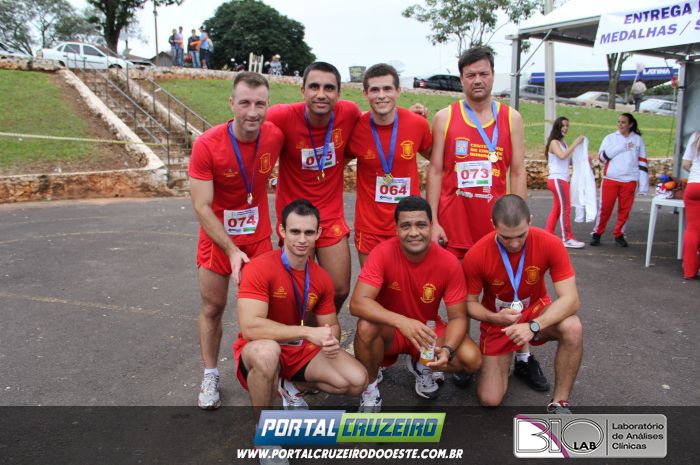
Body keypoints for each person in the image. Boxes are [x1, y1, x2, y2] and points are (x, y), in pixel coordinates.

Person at [426, 46, 546, 391]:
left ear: (493, 75)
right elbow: (435, 171)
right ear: (461, 79)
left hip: (497, 230)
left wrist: (519, 222)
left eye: (483, 73)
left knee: (511, 291)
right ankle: (461, 355)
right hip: (454, 227)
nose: (477, 80)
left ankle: (523, 356)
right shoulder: (445, 117)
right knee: (457, 298)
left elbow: (518, 170)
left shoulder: (511, 118)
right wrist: (433, 222)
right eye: (470, 75)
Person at [188, 72, 284, 410]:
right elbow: (201, 206)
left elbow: (320, 118)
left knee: (265, 311)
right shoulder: (207, 144)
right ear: (231, 104)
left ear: (268, 105)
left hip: (258, 239)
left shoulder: (275, 135)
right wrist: (230, 249)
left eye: (259, 104)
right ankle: (210, 374)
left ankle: (271, 373)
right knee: (213, 307)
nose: (252, 112)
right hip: (218, 239)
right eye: (244, 103)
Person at [233, 199, 368, 411]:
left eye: (309, 232)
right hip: (261, 345)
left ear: (318, 233)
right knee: (267, 353)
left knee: (357, 380)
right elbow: (251, 328)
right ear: (282, 231)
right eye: (295, 232)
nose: (302, 239)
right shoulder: (259, 268)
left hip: (298, 349)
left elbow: (331, 325)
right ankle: (263, 427)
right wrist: (307, 332)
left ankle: (289, 385)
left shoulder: (321, 277)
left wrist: (330, 339)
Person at [350, 196, 481, 411]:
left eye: (421, 225)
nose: (413, 232)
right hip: (390, 331)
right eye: (406, 226)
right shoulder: (382, 252)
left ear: (431, 226)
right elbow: (357, 303)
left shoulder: (448, 262)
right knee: (366, 326)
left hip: (425, 333)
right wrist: (401, 321)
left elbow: (458, 317)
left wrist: (447, 349)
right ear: (396, 229)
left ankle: (422, 364)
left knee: (471, 360)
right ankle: (370, 390)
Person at [463, 195, 583, 413]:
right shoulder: (477, 254)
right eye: (506, 237)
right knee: (490, 399)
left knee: (572, 327)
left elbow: (571, 299)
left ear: (530, 221)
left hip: (536, 311)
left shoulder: (550, 243)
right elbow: (469, 303)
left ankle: (560, 402)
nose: (514, 244)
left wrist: (533, 326)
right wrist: (494, 318)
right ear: (493, 226)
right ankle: (513, 357)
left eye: (521, 235)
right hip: (500, 321)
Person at [266, 62, 362, 313]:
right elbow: (249, 123)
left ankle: (321, 324)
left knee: (339, 288)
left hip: (330, 214)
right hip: (296, 216)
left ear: (338, 93)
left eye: (329, 88)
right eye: (314, 87)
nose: (321, 94)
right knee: (299, 291)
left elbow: (376, 125)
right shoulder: (281, 116)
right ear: (303, 91)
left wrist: (410, 115)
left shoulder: (349, 113)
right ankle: (301, 332)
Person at [348, 63, 432, 266]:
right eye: (374, 90)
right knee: (372, 283)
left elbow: (438, 162)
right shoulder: (356, 127)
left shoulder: (417, 124)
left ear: (398, 91)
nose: (381, 95)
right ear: (365, 93)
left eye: (387, 89)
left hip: (410, 225)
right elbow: (334, 165)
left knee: (409, 282)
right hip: (370, 228)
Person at [591, 113, 648, 247]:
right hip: (611, 178)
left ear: (630, 124)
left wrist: (644, 185)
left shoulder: (638, 140)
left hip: (630, 180)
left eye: (623, 122)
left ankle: (619, 234)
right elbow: (601, 158)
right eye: (619, 122)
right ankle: (597, 233)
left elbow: (642, 162)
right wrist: (621, 147)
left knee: (625, 210)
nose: (620, 125)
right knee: (605, 208)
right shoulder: (610, 138)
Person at [545, 117, 586, 248]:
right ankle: (567, 238)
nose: (565, 128)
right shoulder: (554, 142)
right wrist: (576, 143)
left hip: (560, 179)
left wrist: (585, 159)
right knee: (565, 208)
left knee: (558, 208)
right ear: (557, 127)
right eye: (563, 126)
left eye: (567, 126)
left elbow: (567, 158)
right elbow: (562, 156)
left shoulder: (563, 143)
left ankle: (548, 235)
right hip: (557, 179)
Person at [682, 131, 700, 280]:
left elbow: (686, 164)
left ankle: (689, 271)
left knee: (692, 229)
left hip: (693, 185)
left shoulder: (696, 135)